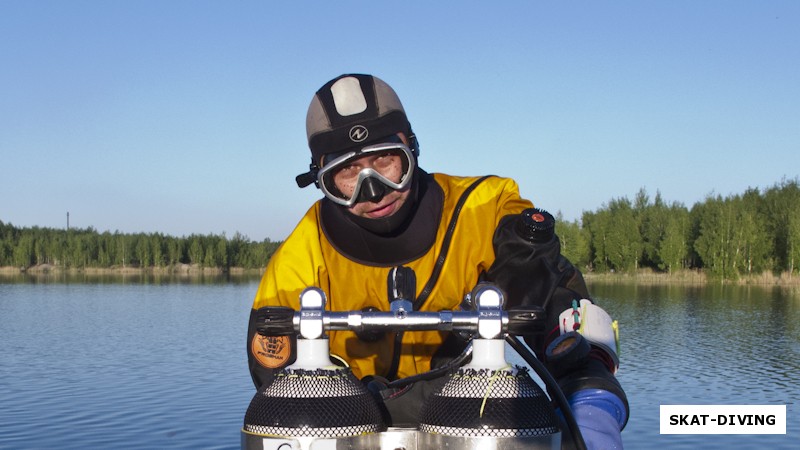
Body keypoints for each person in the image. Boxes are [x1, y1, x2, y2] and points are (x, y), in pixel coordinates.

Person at [247, 74, 628, 449]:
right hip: (350, 425)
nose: (374, 190)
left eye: (386, 161)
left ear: (412, 150)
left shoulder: (481, 207)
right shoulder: (301, 254)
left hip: (469, 418)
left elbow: (553, 292)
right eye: (347, 173)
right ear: (322, 180)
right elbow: (273, 375)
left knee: (572, 339)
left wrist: (591, 402)